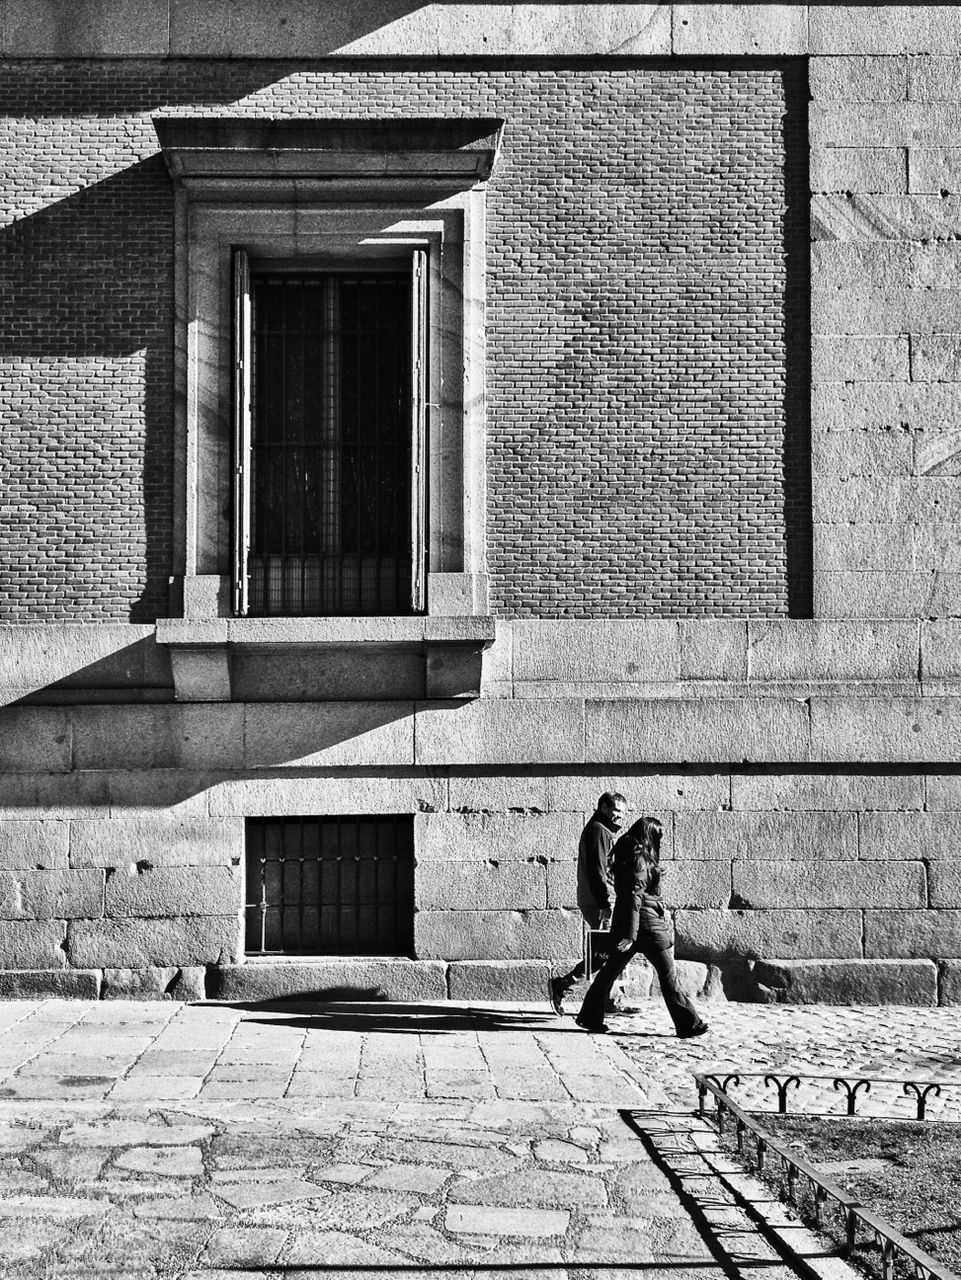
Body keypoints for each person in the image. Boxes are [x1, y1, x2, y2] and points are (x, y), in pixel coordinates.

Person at [575, 815, 708, 1038]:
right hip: (645, 926)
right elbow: (633, 895)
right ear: (650, 835)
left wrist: (628, 931)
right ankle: (689, 1024)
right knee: (667, 976)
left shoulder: (631, 851)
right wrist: (630, 935)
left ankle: (589, 1017)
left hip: (634, 923)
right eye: (658, 836)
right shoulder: (638, 856)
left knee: (608, 973)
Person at [549, 791, 627, 1015]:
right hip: (599, 901)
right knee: (604, 954)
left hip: (595, 899)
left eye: (622, 813)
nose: (619, 817)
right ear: (603, 807)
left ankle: (610, 1000)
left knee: (608, 952)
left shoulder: (599, 829)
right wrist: (604, 902)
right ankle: (563, 985)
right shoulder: (599, 831)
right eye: (616, 812)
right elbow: (597, 871)